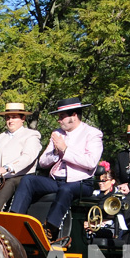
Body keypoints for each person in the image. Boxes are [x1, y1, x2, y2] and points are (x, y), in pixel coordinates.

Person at [9, 97, 103, 240]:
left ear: (74, 116)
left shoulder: (92, 134)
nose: (58, 120)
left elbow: (90, 162)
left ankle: (51, 228)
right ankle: (15, 220)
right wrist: (55, 152)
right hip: (56, 180)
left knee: (66, 190)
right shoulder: (57, 133)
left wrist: (65, 150)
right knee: (28, 180)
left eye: (61, 117)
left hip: (81, 183)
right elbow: (43, 161)